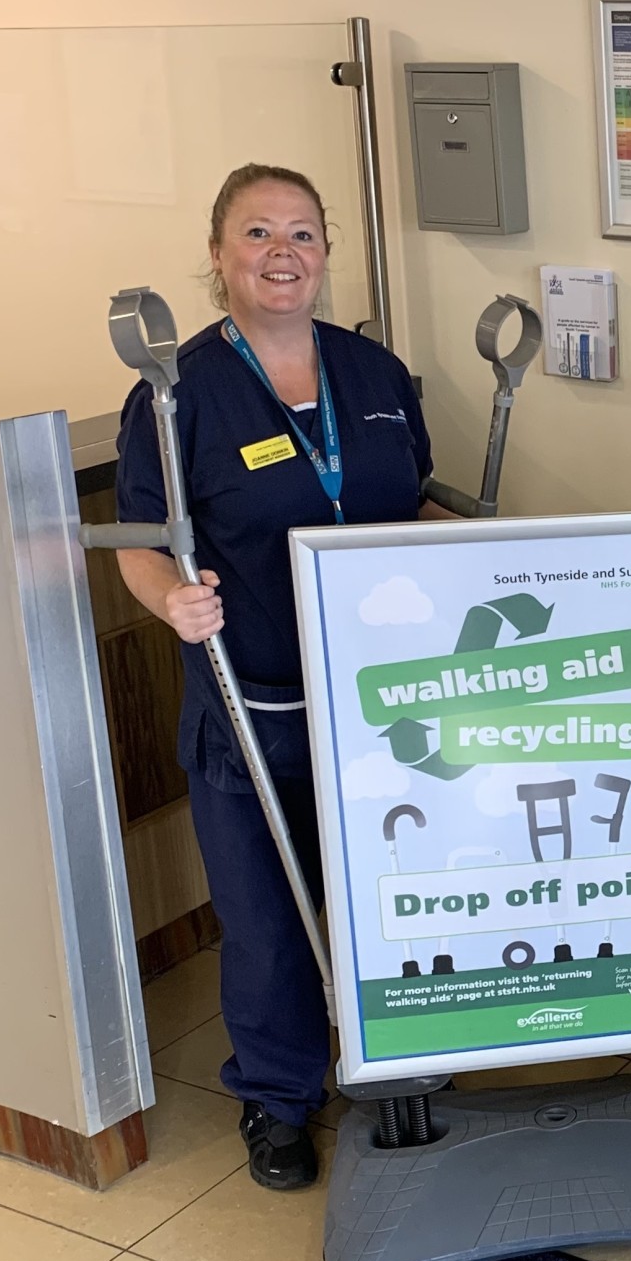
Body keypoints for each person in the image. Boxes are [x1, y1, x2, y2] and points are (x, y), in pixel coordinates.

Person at [115, 164, 450, 1190]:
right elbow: (139, 538)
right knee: (265, 914)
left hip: (381, 699)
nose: (282, 252)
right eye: (257, 232)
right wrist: (169, 599)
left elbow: (410, 507)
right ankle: (278, 1094)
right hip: (251, 697)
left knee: (389, 891)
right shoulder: (176, 396)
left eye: (302, 233)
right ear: (218, 256)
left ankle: (397, 1061)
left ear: (324, 252)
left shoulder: (375, 373)